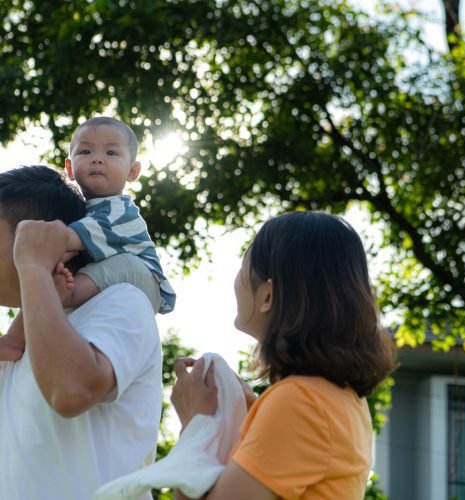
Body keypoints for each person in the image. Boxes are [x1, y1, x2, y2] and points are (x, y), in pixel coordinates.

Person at [171, 211, 397, 500]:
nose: (237, 280)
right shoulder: (342, 398)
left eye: (244, 266)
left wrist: (196, 421)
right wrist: (252, 415)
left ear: (268, 295)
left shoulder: (299, 402)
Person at [0, 165, 163, 500]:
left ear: (33, 237)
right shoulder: (19, 340)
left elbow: (71, 390)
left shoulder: (122, 301)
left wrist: (33, 266)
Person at [0, 116, 175, 361]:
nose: (97, 158)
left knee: (59, 283)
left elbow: (64, 241)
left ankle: (58, 303)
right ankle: (14, 339)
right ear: (70, 169)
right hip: (104, 273)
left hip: (141, 275)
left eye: (111, 153)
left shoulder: (118, 209)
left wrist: (34, 247)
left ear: (132, 171)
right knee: (51, 279)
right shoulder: (83, 211)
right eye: (85, 151)